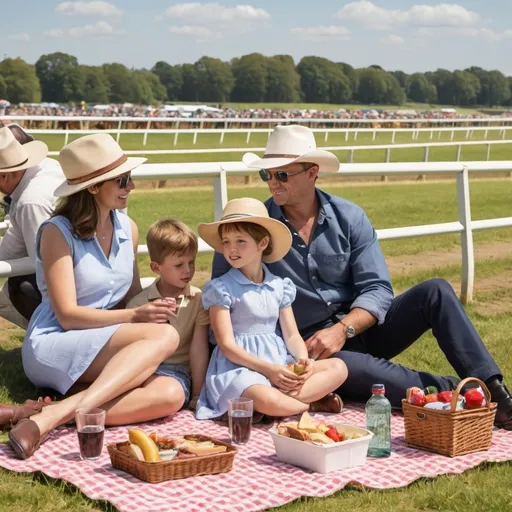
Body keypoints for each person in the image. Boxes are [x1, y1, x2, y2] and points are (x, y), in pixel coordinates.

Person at [211, 125, 512, 430]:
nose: (273, 183)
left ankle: (495, 388)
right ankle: (467, 395)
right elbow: (223, 293)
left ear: (313, 172)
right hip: (308, 348)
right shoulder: (250, 230)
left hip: (360, 326)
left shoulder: (350, 217)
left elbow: (378, 289)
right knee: (360, 368)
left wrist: (343, 329)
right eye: (267, 175)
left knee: (435, 291)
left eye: (282, 175)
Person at [5, 133, 180, 460]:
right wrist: (136, 318)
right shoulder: (57, 231)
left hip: (101, 339)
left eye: (130, 177)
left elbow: (132, 297)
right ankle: (54, 417)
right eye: (123, 179)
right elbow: (68, 315)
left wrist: (176, 295)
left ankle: (49, 414)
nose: (132, 186)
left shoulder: (129, 227)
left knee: (170, 393)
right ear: (94, 187)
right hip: (55, 340)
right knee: (165, 337)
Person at [196, 197, 347, 421]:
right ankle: (305, 404)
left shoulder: (279, 286)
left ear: (262, 243)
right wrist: (269, 371)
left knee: (338, 367)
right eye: (226, 242)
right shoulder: (221, 289)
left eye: (240, 241)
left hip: (278, 363)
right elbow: (227, 346)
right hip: (240, 369)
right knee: (263, 396)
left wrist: (304, 360)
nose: (231, 249)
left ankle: (279, 406)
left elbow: (292, 334)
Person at [127, 218, 210, 411]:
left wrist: (198, 395)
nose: (188, 270)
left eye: (192, 262)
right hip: (142, 370)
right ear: (156, 268)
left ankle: (85, 411)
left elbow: (198, 349)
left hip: (176, 373)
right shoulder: (139, 305)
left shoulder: (199, 300)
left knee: (160, 395)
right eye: (179, 265)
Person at [0, 125, 64, 327]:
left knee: (19, 285)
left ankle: (51, 335)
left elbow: (44, 262)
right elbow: (13, 245)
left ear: (4, 176)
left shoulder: (30, 202)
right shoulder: (47, 167)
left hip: (70, 281)